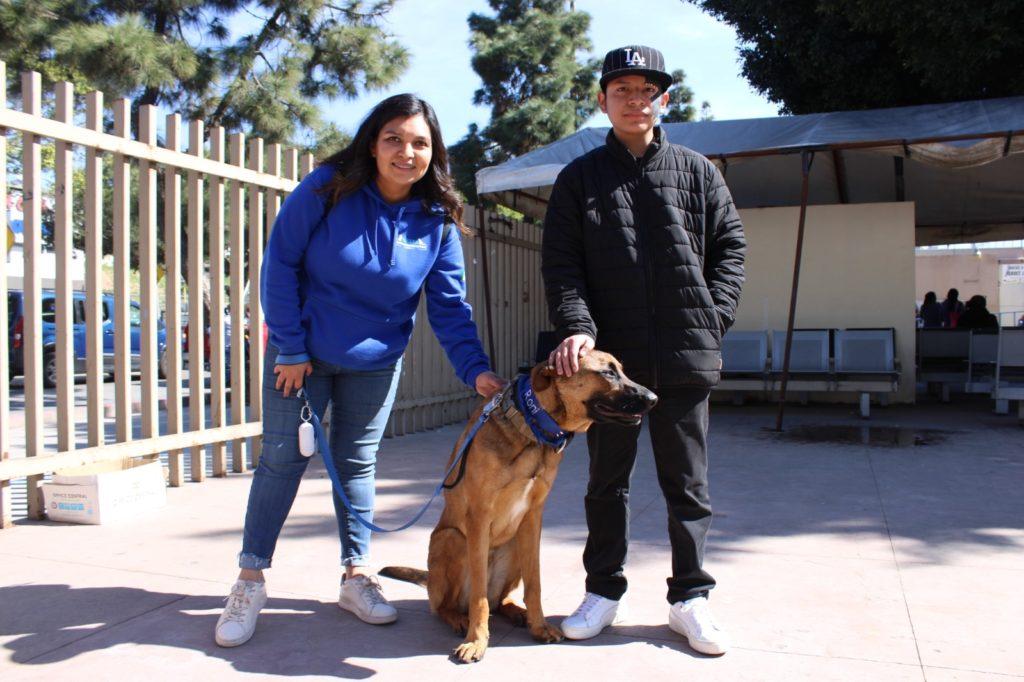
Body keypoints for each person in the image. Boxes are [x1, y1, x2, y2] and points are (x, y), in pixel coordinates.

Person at [214, 94, 505, 648]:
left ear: (433, 153)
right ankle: (250, 580)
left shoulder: (437, 218)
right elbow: (280, 265)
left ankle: (356, 575)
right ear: (372, 144)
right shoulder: (327, 188)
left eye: (419, 143)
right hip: (301, 358)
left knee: (357, 464)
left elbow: (449, 306)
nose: (406, 152)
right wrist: (290, 348)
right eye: (394, 138)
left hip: (376, 363)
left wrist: (476, 372)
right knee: (281, 461)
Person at [541, 45, 745, 656]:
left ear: (664, 99)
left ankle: (690, 598)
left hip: (685, 357)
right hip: (612, 372)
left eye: (646, 90)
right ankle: (603, 591)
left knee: (687, 485)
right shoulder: (578, 179)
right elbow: (563, 267)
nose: (635, 100)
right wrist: (578, 327)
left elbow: (730, 248)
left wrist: (712, 319)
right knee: (607, 484)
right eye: (621, 90)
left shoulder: (698, 172)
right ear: (602, 101)